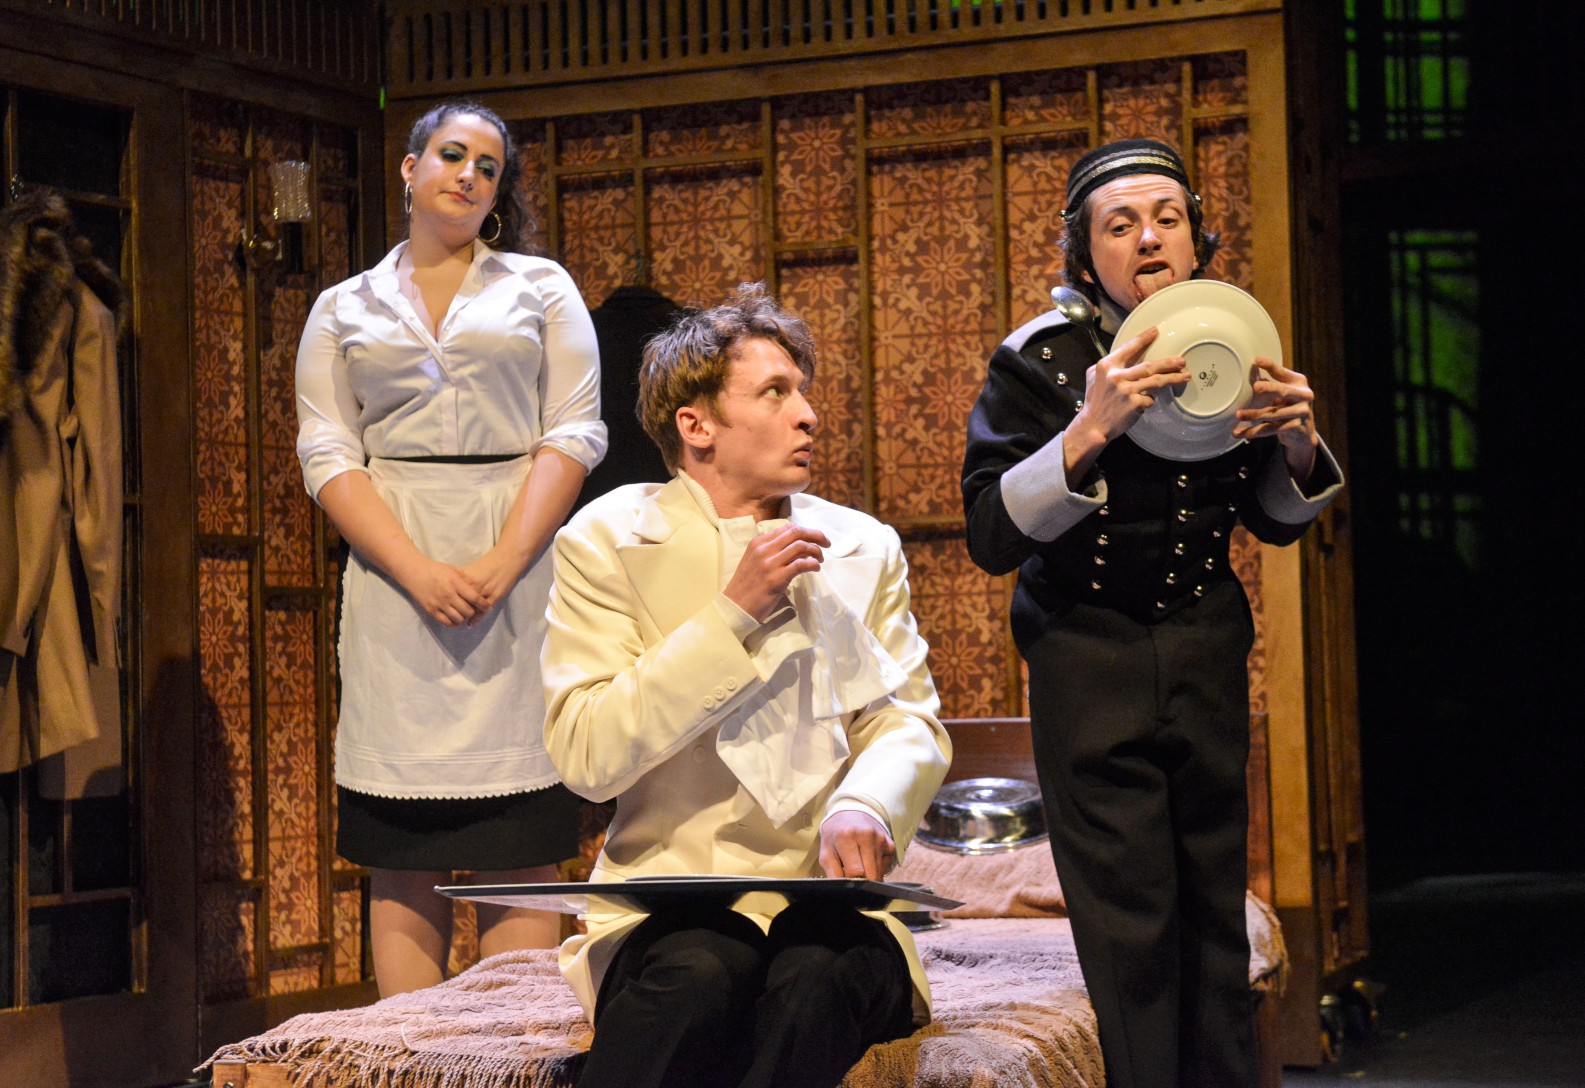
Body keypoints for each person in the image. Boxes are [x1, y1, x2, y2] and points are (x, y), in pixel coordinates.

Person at [961, 139, 1343, 1088]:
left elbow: (1272, 520)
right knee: (1129, 924)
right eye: (1120, 223)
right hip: (1086, 652)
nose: (1148, 238)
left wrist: (1297, 446)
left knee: (1216, 907)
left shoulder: (1234, 339)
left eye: (1167, 218)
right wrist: (1087, 429)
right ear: (1084, 251)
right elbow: (990, 535)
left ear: (1195, 237)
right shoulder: (1039, 361)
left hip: (1203, 641)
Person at [541, 283, 950, 1088]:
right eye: (774, 392)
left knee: (816, 974)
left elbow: (905, 720)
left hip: (827, 901)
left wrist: (867, 803)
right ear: (696, 426)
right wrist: (730, 615)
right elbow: (586, 753)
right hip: (668, 898)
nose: (808, 415)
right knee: (703, 969)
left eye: (803, 391)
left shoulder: (861, 545)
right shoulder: (607, 539)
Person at [294, 101, 606, 997]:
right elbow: (327, 451)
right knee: (402, 849)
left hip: (520, 565)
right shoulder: (343, 306)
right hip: (393, 575)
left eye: (488, 167)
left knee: (521, 839)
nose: (468, 175)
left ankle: (510, 1051)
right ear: (410, 167)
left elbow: (574, 430)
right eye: (451, 154)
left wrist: (504, 562)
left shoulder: (540, 287)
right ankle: (410, 1054)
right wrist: (416, 570)